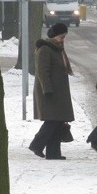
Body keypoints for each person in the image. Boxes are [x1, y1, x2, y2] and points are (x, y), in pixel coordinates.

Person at [28, 22, 75, 160]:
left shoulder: (57, 49)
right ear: (54, 35)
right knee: (52, 121)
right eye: (61, 36)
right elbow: (42, 72)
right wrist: (47, 89)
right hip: (49, 93)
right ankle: (36, 145)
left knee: (58, 121)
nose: (63, 39)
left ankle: (53, 153)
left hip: (58, 93)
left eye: (64, 36)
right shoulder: (45, 49)